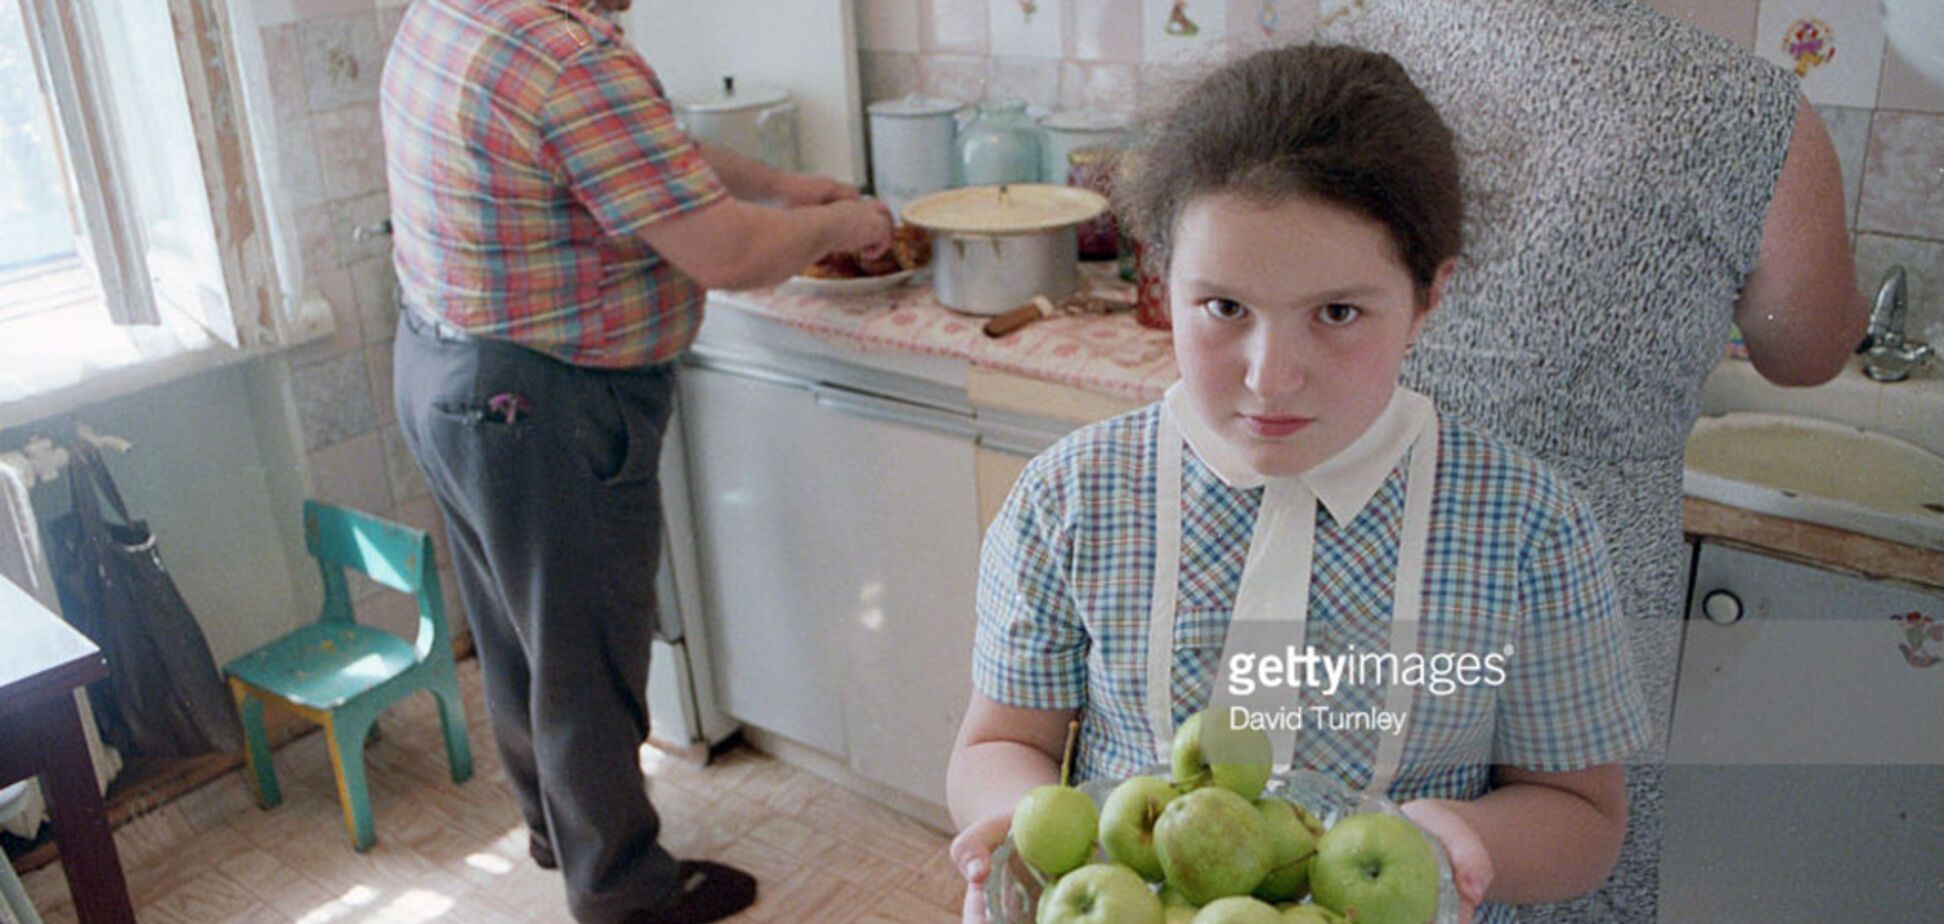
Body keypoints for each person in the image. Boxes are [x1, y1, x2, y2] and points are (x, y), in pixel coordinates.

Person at [947, 44, 1654, 924]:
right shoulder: (1071, 499)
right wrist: (1015, 830)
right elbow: (1003, 739)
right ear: (1163, 278)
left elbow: (1583, 818)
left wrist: (1461, 842)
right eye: (1225, 308)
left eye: (1338, 313)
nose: (1270, 377)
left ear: (1430, 296)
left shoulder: (1528, 529)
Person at [1318, 3, 1870, 919]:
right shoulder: (1750, 105)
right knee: (1562, 871)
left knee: (1343, 862)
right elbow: (1803, 349)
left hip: (1357, 544)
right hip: (1589, 577)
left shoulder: (1360, 42)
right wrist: (1840, 308)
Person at [379, 1, 891, 922]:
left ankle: (556, 827)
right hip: (546, 403)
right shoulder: (570, 58)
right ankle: (621, 892)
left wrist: (779, 185)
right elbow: (725, 254)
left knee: (518, 635)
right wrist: (840, 224)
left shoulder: (455, 10)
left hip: (442, 369)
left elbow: (639, 157)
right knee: (586, 660)